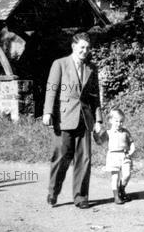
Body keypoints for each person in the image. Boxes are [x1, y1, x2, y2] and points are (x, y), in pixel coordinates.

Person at [42, 32, 103, 208]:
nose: (85, 51)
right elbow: (51, 89)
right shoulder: (60, 64)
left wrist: (98, 120)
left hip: (85, 119)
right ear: (74, 47)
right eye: (82, 47)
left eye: (87, 47)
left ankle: (81, 197)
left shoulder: (92, 68)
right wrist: (47, 112)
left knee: (84, 159)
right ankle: (53, 192)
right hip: (64, 117)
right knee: (61, 157)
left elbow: (95, 97)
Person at [99, 107, 135, 204]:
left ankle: (121, 188)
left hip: (124, 155)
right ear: (110, 120)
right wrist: (97, 133)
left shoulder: (125, 132)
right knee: (115, 177)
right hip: (113, 156)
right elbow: (100, 142)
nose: (119, 124)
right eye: (116, 121)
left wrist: (131, 151)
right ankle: (116, 197)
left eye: (121, 121)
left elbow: (131, 143)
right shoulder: (108, 132)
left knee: (127, 174)